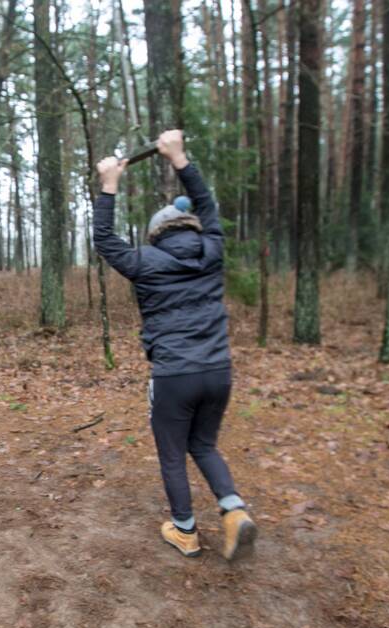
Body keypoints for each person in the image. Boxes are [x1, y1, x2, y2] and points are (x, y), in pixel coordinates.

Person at [93, 130, 257, 561]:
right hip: (219, 372)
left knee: (172, 453)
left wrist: (109, 185)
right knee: (203, 444)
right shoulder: (212, 249)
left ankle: (185, 530)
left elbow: (106, 240)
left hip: (175, 375)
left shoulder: (145, 262)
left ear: (156, 233)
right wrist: (180, 159)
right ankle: (233, 510)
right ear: (191, 226)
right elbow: (207, 205)